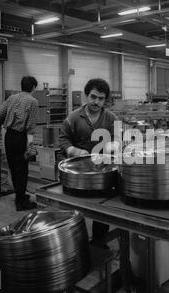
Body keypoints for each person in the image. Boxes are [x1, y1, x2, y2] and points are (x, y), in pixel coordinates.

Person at [58, 78, 118, 247]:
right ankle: (75, 244)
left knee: (102, 212)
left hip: (103, 175)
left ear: (105, 100)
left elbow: (119, 140)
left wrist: (112, 147)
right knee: (75, 212)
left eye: (100, 98)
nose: (96, 101)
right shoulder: (73, 118)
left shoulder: (111, 118)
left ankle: (99, 242)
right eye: (93, 97)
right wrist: (75, 151)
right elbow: (63, 141)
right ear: (86, 96)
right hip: (78, 175)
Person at [0, 76, 38, 211]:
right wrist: (30, 146)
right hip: (21, 137)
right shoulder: (33, 101)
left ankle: (20, 195)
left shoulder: (11, 98)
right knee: (22, 169)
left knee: (13, 167)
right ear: (33, 87)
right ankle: (21, 202)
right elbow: (30, 126)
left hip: (8, 137)